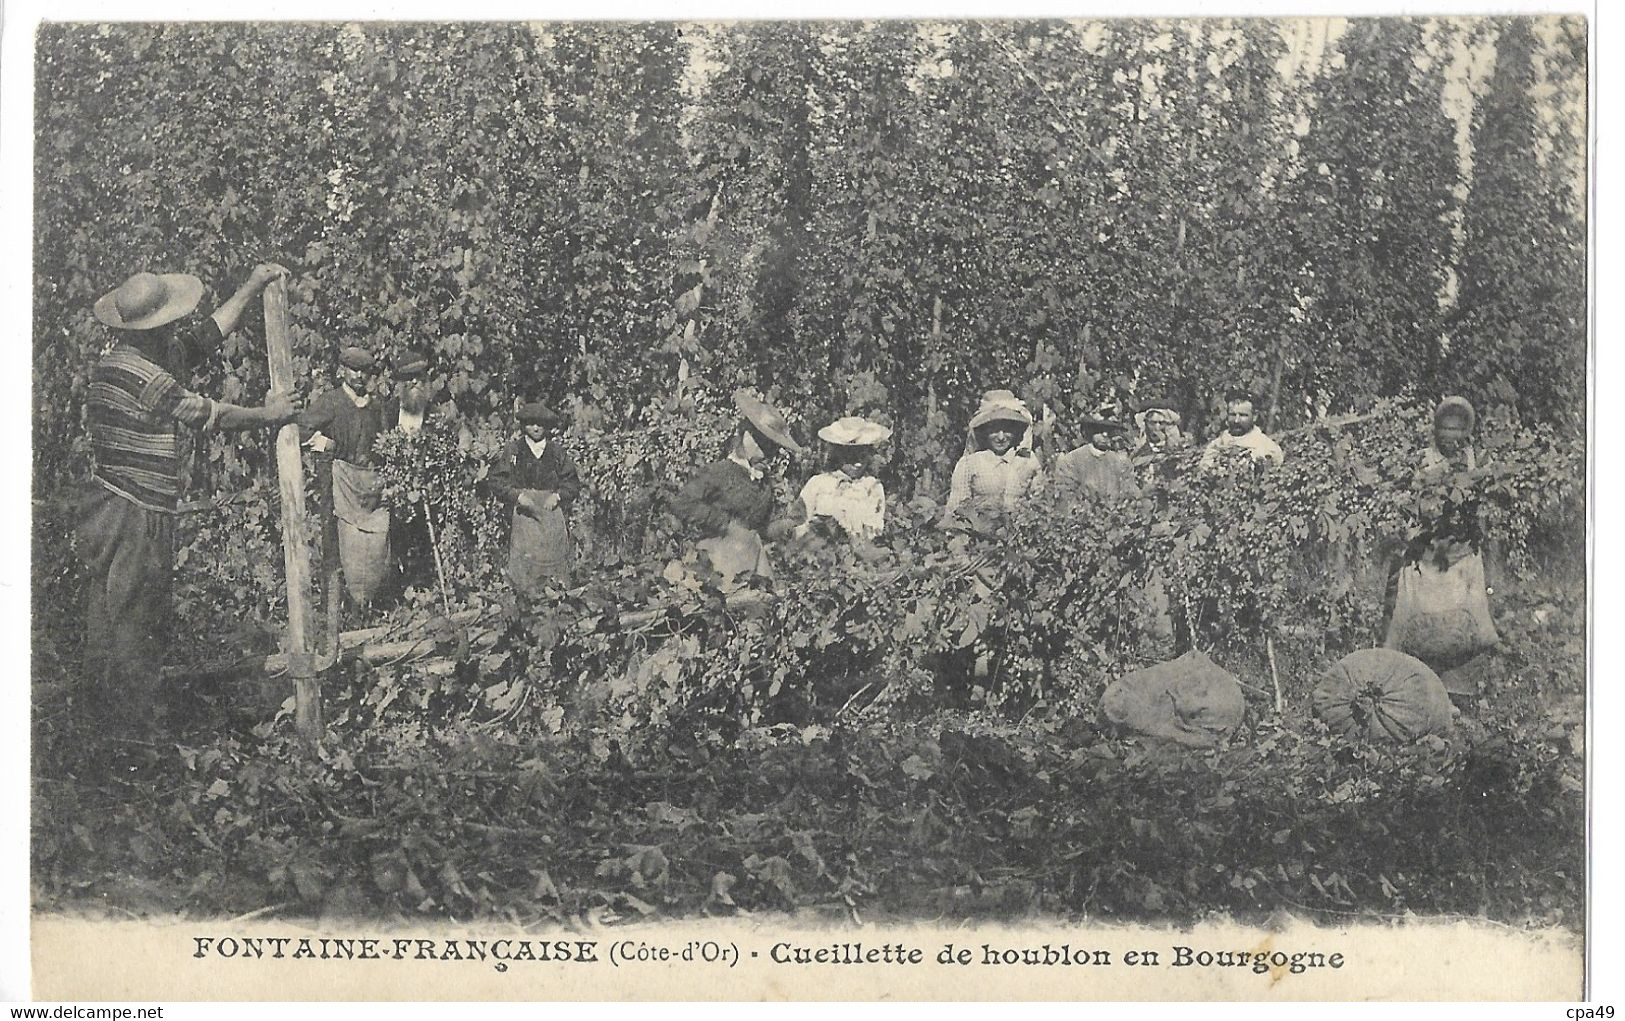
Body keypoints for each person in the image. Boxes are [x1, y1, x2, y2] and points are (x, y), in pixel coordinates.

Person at [77, 264, 299, 745]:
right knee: (136, 627)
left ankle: (100, 735)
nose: (176, 330)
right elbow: (211, 415)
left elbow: (207, 337)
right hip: (136, 515)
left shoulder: (117, 361)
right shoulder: (149, 379)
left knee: (106, 622)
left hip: (103, 508)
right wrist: (272, 413)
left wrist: (252, 285)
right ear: (154, 329)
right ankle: (134, 743)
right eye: (169, 324)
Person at [1384, 396, 1500, 705]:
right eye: (1446, 429)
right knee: (1419, 622)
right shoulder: (1422, 460)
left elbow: (1486, 508)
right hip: (1426, 558)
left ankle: (1461, 691)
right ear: (1436, 430)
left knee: (1464, 629)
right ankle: (1413, 684)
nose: (1452, 436)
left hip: (1461, 558)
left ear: (1467, 431)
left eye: (1458, 429)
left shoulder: (1477, 461)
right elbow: (1406, 504)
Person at [670, 390, 804, 591]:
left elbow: (761, 529)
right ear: (745, 435)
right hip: (715, 560)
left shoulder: (763, 483)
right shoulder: (719, 472)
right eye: (761, 442)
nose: (767, 451)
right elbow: (682, 503)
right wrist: (724, 523)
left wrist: (785, 526)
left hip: (752, 562)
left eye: (772, 446)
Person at [299, 346, 393, 606]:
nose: (359, 376)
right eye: (354, 370)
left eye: (364, 371)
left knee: (372, 539)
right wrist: (324, 444)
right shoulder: (331, 401)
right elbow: (299, 429)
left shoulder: (376, 406)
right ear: (343, 371)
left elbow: (386, 441)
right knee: (333, 538)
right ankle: (334, 606)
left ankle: (368, 603)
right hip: (336, 482)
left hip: (369, 485)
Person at [490, 401, 582, 597]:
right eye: (531, 423)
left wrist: (558, 495)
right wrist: (517, 495)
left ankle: (557, 594)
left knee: (553, 554)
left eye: (541, 423)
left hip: (551, 512)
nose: (536, 427)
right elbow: (497, 481)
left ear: (547, 426)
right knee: (527, 558)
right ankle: (527, 596)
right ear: (523, 425)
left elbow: (572, 483)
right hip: (525, 513)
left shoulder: (557, 452)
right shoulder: (514, 451)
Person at [943, 389, 1043, 528]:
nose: (1001, 437)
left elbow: (1039, 503)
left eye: (1007, 429)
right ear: (985, 431)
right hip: (978, 537)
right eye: (994, 430)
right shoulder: (970, 463)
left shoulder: (1027, 461)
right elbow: (955, 508)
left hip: (1020, 537)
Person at [798, 416, 890, 541]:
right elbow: (799, 522)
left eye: (862, 456)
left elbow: (874, 530)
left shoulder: (872, 487)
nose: (857, 463)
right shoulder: (818, 483)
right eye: (850, 456)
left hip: (857, 554)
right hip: (817, 552)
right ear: (839, 454)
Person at [1054, 414, 1139, 510]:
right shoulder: (1073, 459)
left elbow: (1129, 492)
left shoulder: (1121, 461)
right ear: (1091, 431)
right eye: (1100, 430)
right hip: (1083, 514)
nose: (1105, 435)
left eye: (1108, 431)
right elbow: (1066, 493)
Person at [1201, 390, 1284, 469]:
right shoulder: (1216, 446)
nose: (1236, 420)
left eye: (1243, 415)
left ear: (1254, 416)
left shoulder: (1268, 448)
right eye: (1232, 415)